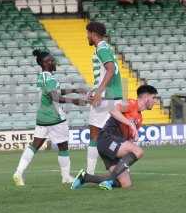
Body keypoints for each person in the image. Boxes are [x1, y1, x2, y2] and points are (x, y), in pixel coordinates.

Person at [12, 50, 88, 186]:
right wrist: (75, 101)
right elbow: (56, 97)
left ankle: (18, 173)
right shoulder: (50, 79)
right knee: (63, 147)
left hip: (42, 118)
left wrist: (75, 90)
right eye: (51, 60)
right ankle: (65, 177)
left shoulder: (42, 77)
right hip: (55, 118)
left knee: (34, 146)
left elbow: (55, 92)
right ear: (44, 63)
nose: (54, 62)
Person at [71, 85, 158, 190]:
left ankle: (85, 177)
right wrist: (130, 124)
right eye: (154, 98)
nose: (155, 101)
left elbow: (128, 141)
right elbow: (112, 110)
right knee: (139, 151)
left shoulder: (139, 118)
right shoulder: (131, 103)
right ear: (146, 97)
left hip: (115, 145)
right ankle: (110, 180)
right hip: (107, 139)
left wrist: (133, 138)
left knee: (125, 184)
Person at [86, 22, 123, 175]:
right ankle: (120, 171)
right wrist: (95, 90)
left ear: (93, 33)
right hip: (115, 96)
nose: (86, 36)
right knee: (114, 136)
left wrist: (99, 92)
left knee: (94, 135)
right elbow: (105, 72)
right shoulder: (107, 47)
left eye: (87, 33)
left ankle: (89, 173)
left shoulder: (101, 48)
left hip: (106, 98)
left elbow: (110, 69)